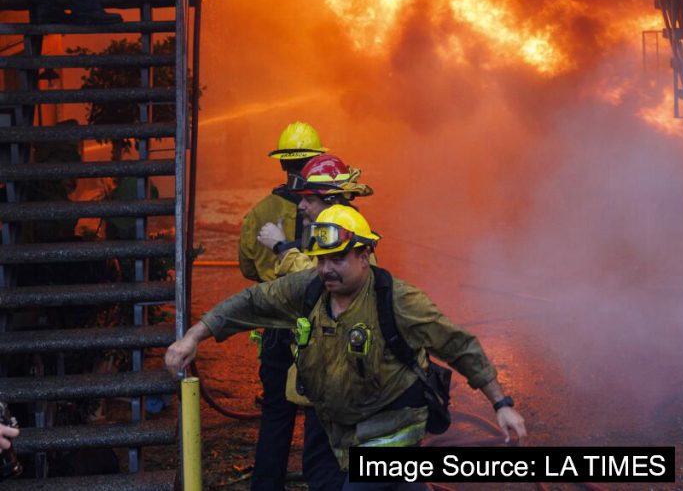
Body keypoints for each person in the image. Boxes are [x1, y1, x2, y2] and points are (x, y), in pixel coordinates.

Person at [167, 205, 527, 487]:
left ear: (364, 255)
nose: (326, 269)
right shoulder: (310, 289)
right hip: (337, 430)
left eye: (337, 258)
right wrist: (194, 336)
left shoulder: (398, 301)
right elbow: (253, 302)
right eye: (322, 259)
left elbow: (458, 345)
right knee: (323, 479)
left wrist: (501, 403)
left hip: (390, 430)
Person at [238, 121, 338, 491]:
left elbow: (248, 266)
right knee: (320, 415)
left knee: (277, 413)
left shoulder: (260, 212)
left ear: (282, 163)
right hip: (320, 327)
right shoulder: (329, 212)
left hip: (278, 327)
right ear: (317, 160)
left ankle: (267, 486)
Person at [257, 153, 373, 278]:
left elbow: (319, 280)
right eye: (301, 199)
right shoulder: (324, 232)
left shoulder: (347, 232)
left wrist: (282, 248)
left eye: (309, 200)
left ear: (334, 202)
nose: (301, 205)